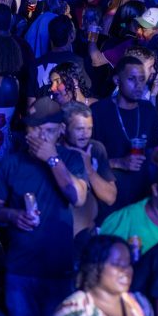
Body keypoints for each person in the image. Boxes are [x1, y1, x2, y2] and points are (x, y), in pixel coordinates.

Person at [0, 105, 88, 316]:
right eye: (36, 129)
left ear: (61, 130)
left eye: (49, 130)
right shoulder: (11, 162)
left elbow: (78, 197)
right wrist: (12, 215)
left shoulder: (71, 159)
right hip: (20, 270)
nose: (42, 137)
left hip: (58, 270)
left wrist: (52, 160)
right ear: (27, 131)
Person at [46, 234, 158, 316]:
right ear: (95, 267)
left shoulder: (140, 303)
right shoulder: (74, 312)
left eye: (128, 264)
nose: (125, 270)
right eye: (117, 264)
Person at [92, 56, 158, 215]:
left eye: (142, 79)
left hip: (142, 199)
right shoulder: (99, 111)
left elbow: (153, 152)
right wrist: (119, 162)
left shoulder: (148, 110)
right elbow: (87, 160)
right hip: (110, 199)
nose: (138, 85)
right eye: (131, 79)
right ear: (117, 80)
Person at [62, 102, 118, 242]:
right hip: (63, 231)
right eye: (80, 129)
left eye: (89, 129)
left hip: (92, 231)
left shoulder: (96, 149)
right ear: (63, 128)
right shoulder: (55, 153)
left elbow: (110, 197)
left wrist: (89, 169)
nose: (85, 134)